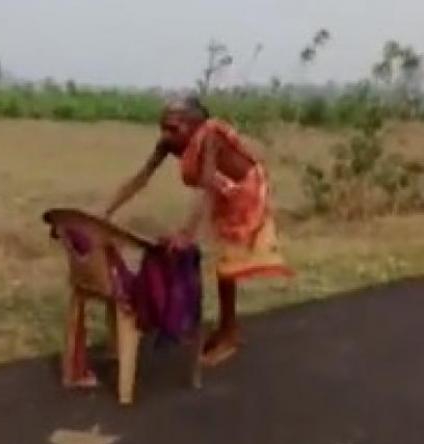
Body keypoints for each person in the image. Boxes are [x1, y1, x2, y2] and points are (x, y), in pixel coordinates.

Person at [103, 96, 293, 366]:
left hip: (243, 193)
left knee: (228, 264)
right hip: (221, 191)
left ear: (195, 126)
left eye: (173, 128)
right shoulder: (169, 143)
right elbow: (141, 177)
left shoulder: (211, 136)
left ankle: (229, 335)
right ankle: (225, 328)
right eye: (163, 128)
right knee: (223, 265)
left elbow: (206, 188)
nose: (167, 135)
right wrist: (105, 211)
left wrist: (186, 234)